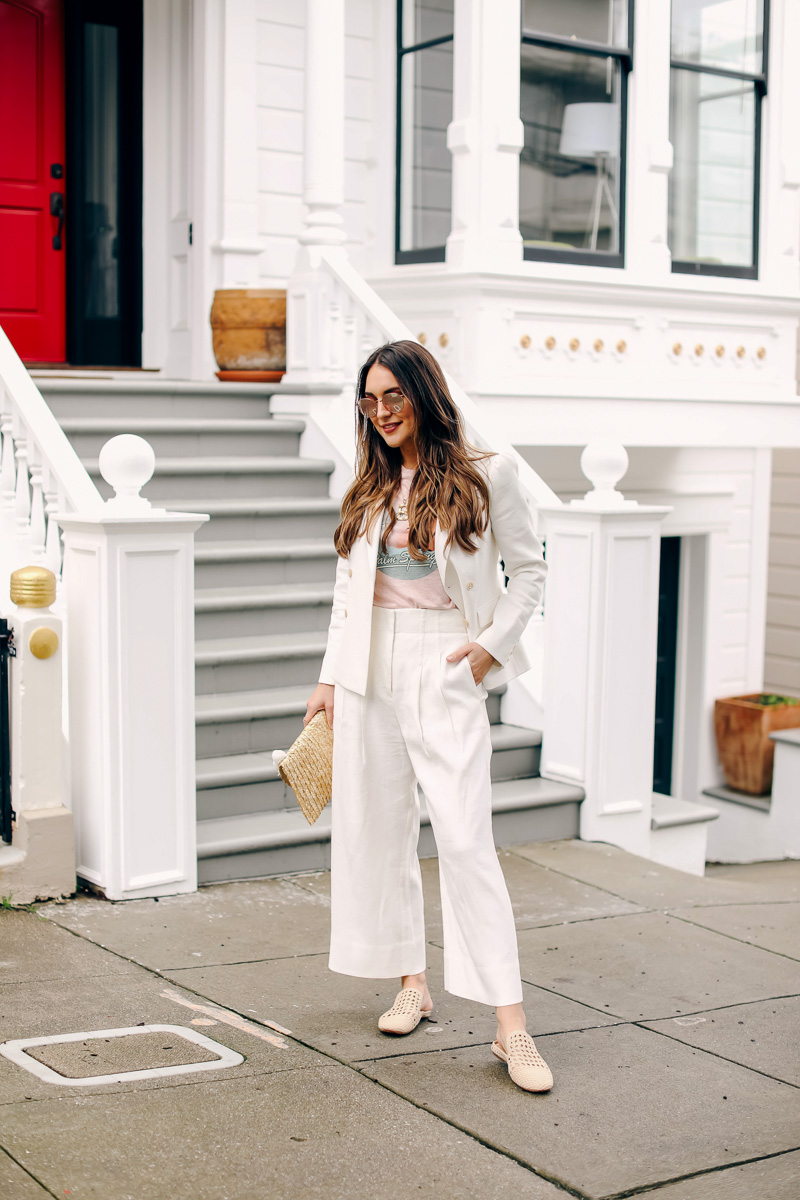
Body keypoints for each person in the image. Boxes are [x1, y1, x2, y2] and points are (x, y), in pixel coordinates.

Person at [302, 339, 552, 1093]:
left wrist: (488, 647)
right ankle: (413, 980)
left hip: (444, 661)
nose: (379, 413)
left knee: (467, 839)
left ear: (423, 394)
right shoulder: (369, 482)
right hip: (368, 670)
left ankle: (512, 1025)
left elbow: (531, 571)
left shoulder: (487, 473)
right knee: (379, 832)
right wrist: (327, 681)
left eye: (392, 398)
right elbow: (350, 594)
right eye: (368, 401)